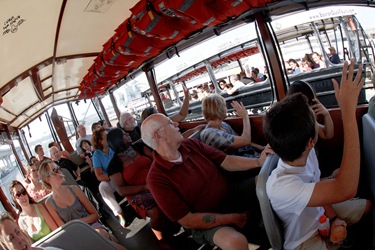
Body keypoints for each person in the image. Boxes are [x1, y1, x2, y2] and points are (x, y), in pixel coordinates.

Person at [265, 60, 371, 250]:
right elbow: (346, 188)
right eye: (315, 122)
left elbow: (317, 190)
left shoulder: (307, 153)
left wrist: (334, 218)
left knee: (368, 207)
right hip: (303, 241)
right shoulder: (281, 186)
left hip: (320, 210)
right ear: (310, 141)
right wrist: (347, 112)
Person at [141, 113, 274, 250]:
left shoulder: (191, 144)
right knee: (235, 242)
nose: (177, 124)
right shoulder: (156, 179)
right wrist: (232, 218)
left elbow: (226, 161)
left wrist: (259, 162)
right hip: (203, 221)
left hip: (230, 194)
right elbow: (188, 220)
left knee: (269, 180)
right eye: (170, 123)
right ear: (159, 136)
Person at [107, 128, 179, 248]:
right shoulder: (114, 164)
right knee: (156, 212)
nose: (128, 134)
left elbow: (156, 159)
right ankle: (160, 238)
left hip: (156, 182)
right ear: (118, 140)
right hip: (138, 192)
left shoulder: (139, 147)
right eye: (124, 134)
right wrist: (145, 187)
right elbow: (121, 190)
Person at [39, 161, 127, 250]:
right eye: (55, 170)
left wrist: (77, 222)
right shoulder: (49, 203)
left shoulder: (74, 189)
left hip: (92, 227)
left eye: (59, 168)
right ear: (48, 179)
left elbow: (95, 215)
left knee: (96, 238)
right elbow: (64, 230)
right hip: (75, 237)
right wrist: (77, 225)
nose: (60, 171)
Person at [200, 94, 264, 155]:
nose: (226, 109)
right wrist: (245, 116)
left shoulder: (223, 125)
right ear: (219, 109)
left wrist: (261, 148)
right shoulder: (209, 133)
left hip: (248, 153)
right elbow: (245, 140)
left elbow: (241, 140)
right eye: (224, 106)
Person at [91, 127, 126, 228]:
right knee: (102, 187)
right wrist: (113, 176)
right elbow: (99, 176)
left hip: (123, 172)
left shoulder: (113, 146)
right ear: (100, 141)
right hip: (111, 178)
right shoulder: (97, 155)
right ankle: (119, 212)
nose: (109, 138)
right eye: (106, 137)